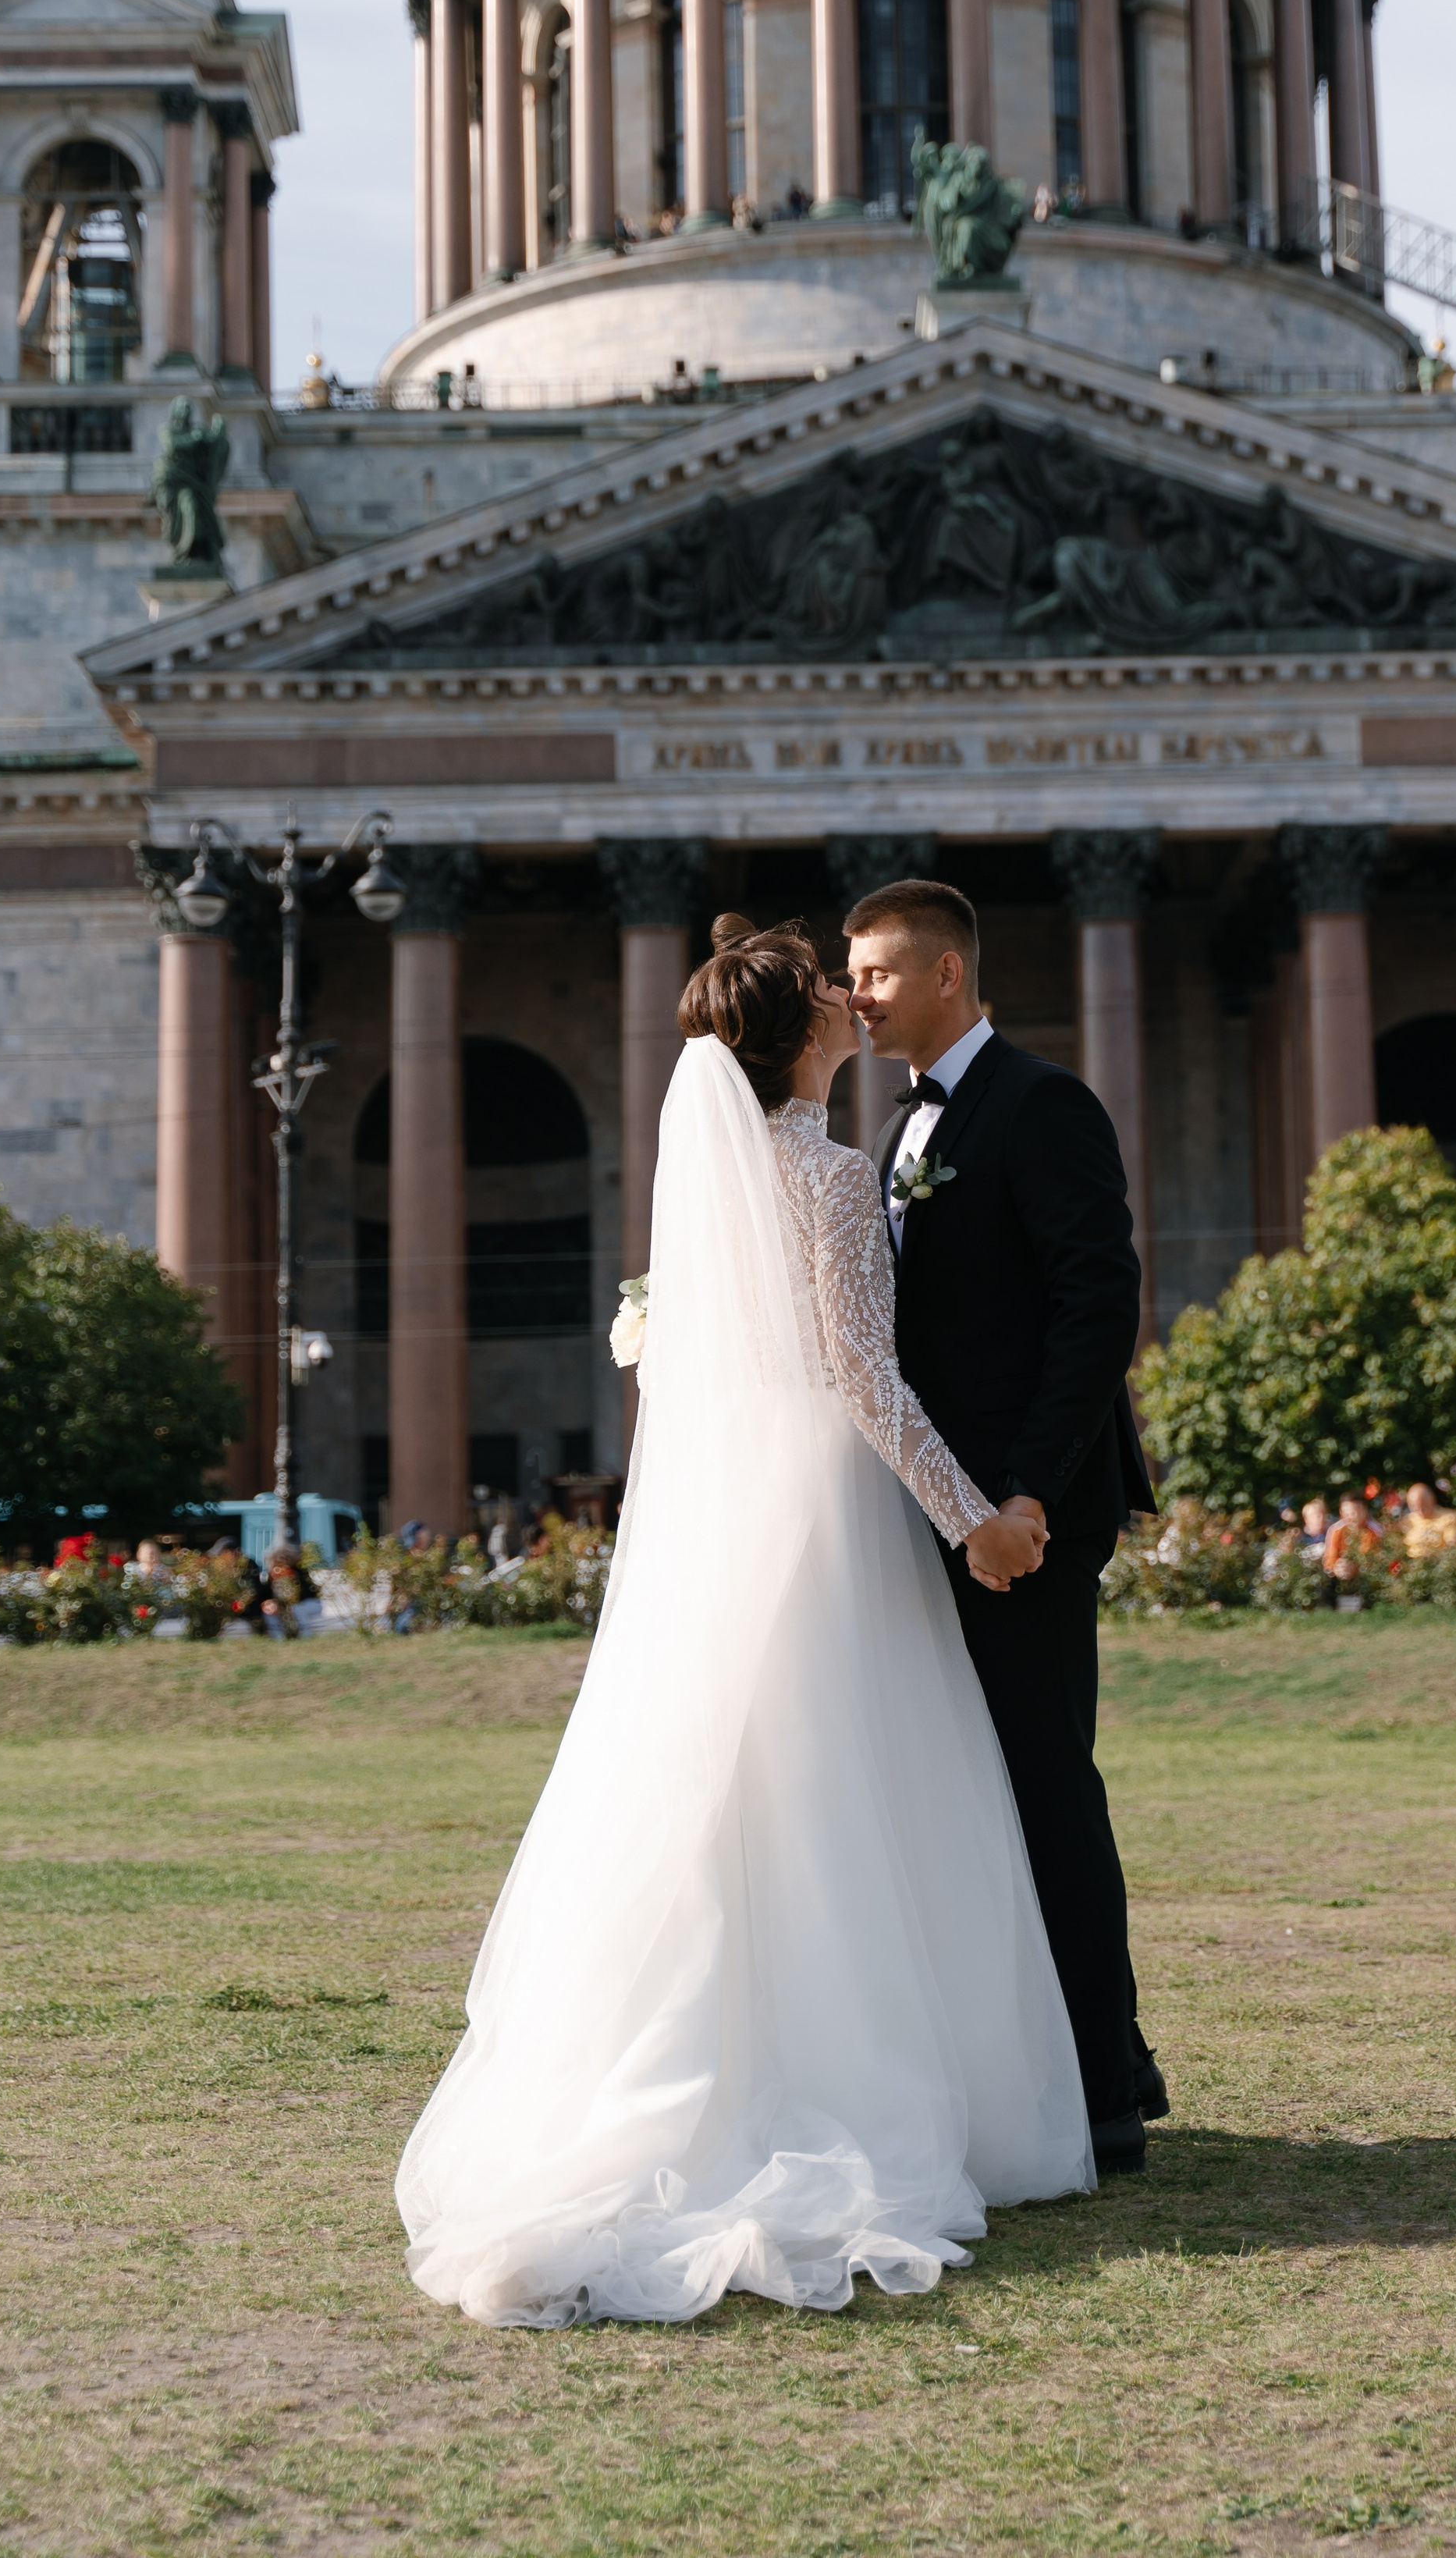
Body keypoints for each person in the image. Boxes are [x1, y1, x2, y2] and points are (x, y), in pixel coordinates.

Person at [398, 916, 1092, 2329]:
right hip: (828, 1517)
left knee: (736, 1796)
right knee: (843, 1791)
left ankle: (703, 2067)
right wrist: (980, 1518)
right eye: (833, 992)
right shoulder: (829, 1176)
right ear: (805, 1040)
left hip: (736, 1518)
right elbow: (863, 1383)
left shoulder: (723, 1183)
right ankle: (846, 2086)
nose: (855, 1000)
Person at [843, 878, 1163, 2177]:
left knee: (1044, 1789)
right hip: (931, 1517)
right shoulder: (896, 1137)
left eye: (872, 972)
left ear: (947, 976)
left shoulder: (1043, 1106)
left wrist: (1024, 1494)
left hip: (1024, 1524)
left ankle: (1105, 2083)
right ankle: (1003, 2076)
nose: (854, 995)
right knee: (957, 1803)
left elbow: (1099, 1307)